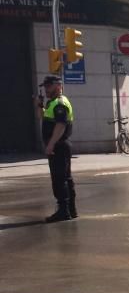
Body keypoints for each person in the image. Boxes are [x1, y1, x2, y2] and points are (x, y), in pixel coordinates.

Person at [38, 75, 76, 222]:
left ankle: (64, 211)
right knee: (65, 178)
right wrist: (39, 105)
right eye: (45, 86)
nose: (46, 89)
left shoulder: (60, 103)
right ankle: (70, 210)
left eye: (49, 86)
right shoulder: (51, 103)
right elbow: (41, 117)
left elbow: (61, 125)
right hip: (59, 146)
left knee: (59, 179)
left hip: (59, 146)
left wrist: (51, 144)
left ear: (58, 86)